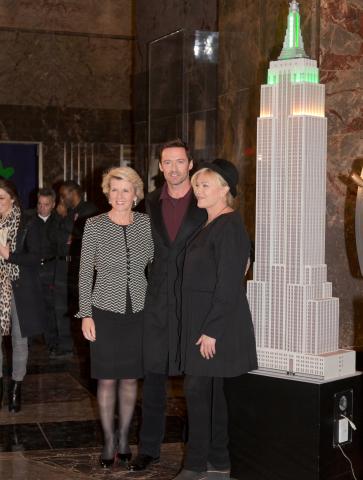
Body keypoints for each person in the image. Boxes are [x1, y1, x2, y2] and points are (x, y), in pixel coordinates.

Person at [174, 159, 258, 480]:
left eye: (204, 185)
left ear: (225, 190)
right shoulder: (209, 224)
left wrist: (211, 330)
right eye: (197, 185)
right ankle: (219, 460)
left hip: (213, 326)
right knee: (209, 394)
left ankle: (196, 464)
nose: (197, 190)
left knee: (197, 392)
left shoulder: (230, 226)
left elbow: (229, 283)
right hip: (202, 323)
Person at [129, 139, 207, 472]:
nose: (173, 168)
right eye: (167, 162)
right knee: (154, 377)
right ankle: (149, 448)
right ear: (160, 167)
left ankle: (198, 446)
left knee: (197, 380)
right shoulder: (148, 204)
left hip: (194, 301)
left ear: (190, 164)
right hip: (157, 300)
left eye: (179, 161)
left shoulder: (206, 201)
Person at [77, 167, 154, 468]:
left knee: (131, 378)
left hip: (138, 310)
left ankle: (124, 436)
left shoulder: (147, 224)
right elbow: (85, 273)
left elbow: (157, 264)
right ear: (107, 193)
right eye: (114, 189)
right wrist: (85, 314)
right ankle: (109, 438)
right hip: (103, 310)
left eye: (126, 190)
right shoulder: (94, 225)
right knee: (107, 379)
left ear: (135, 194)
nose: (120, 196)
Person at [0, 179, 47, 412]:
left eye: (0, 198)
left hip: (19, 288)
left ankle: (16, 388)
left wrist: (9, 255)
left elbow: (36, 257)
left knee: (19, 341)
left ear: (12, 199)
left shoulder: (28, 222)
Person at [53, 180, 97, 357]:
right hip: (67, 265)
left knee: (82, 308)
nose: (61, 200)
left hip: (84, 267)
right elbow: (55, 235)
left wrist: (66, 223)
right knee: (64, 307)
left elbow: (81, 232)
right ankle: (67, 346)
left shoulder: (89, 209)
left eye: (64, 195)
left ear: (74, 193)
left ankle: (87, 347)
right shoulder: (69, 212)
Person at [32, 188, 59, 354]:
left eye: (46, 205)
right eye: (39, 204)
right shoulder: (28, 220)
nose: (42, 208)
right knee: (30, 307)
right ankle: (28, 343)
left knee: (51, 308)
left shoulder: (59, 221)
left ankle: (52, 344)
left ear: (53, 205)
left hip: (50, 270)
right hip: (32, 269)